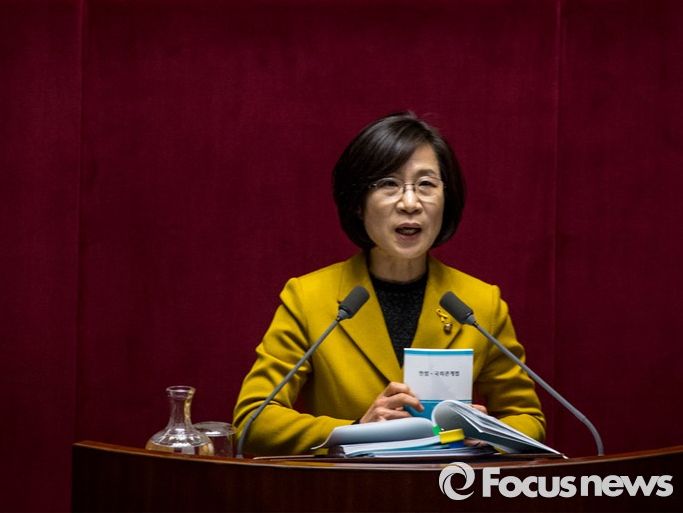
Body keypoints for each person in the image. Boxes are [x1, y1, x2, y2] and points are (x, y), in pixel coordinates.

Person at [232, 112, 546, 456]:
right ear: (358, 204)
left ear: (447, 199)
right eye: (388, 184)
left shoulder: (480, 303)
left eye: (426, 184)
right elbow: (253, 422)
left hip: (447, 485)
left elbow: (528, 418)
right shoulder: (309, 298)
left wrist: (490, 433)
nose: (410, 203)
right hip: (348, 487)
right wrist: (355, 431)